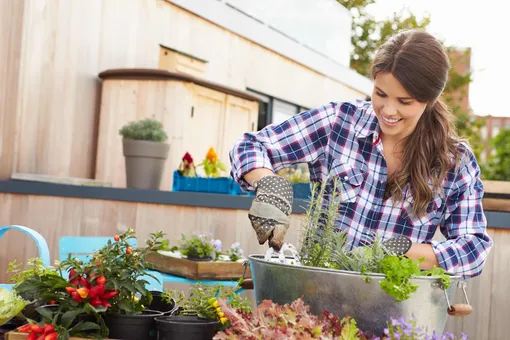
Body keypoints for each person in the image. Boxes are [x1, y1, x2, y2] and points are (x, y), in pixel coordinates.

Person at [229, 29, 493, 279]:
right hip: (316, 296)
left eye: (405, 102)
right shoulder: (339, 122)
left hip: (393, 310)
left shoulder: (454, 162)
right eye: (380, 94)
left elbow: (474, 249)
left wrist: (398, 253)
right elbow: (250, 146)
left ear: (429, 99)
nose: (388, 110)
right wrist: (268, 183)